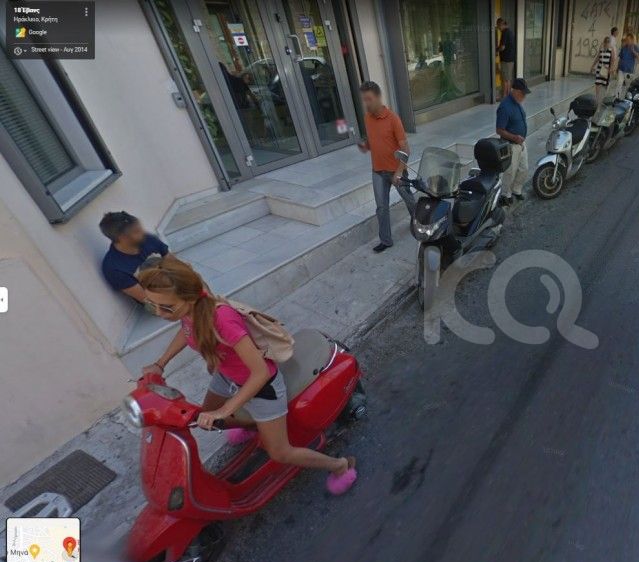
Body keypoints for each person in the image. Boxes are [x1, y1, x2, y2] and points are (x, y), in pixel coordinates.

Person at [138, 256, 358, 495]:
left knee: (280, 452)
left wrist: (225, 409)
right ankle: (256, 425)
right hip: (227, 376)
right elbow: (187, 330)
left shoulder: (222, 319)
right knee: (205, 419)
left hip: (262, 387)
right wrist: (160, 364)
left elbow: (260, 372)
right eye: (151, 305)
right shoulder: (188, 311)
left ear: (189, 298)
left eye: (166, 307)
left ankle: (339, 465)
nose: (159, 313)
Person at [357, 81, 416, 253]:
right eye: (364, 100)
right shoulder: (367, 118)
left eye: (369, 99)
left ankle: (419, 224)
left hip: (396, 170)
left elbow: (406, 149)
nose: (366, 103)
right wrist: (366, 146)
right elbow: (373, 140)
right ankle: (386, 240)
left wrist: (399, 171)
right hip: (377, 171)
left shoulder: (393, 119)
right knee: (381, 208)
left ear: (378, 98)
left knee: (409, 200)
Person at [100, 211, 169, 304]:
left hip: (174, 283)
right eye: (137, 231)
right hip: (160, 301)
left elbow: (172, 261)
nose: (143, 232)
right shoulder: (114, 269)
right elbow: (147, 300)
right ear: (123, 238)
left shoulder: (148, 239)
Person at [496, 78, 530, 203]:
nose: (524, 96)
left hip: (521, 143)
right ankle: (506, 195)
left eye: (525, 93)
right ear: (514, 91)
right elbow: (499, 130)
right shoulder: (505, 107)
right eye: (522, 93)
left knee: (523, 169)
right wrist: (515, 137)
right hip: (511, 145)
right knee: (510, 172)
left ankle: (516, 190)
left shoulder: (517, 102)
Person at [591, 37, 614, 105]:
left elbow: (612, 60)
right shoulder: (601, 49)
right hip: (599, 68)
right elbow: (598, 58)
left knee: (605, 84)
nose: (607, 43)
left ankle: (603, 98)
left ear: (609, 43)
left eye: (608, 42)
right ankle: (597, 98)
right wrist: (593, 66)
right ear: (604, 42)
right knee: (597, 83)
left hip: (606, 70)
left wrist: (610, 68)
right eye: (606, 42)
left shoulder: (611, 49)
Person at [497, 18, 516, 99]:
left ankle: (505, 96)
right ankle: (507, 95)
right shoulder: (510, 32)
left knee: (505, 79)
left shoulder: (505, 33)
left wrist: (496, 50)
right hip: (511, 59)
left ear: (501, 24)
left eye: (498, 26)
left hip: (506, 60)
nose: (498, 28)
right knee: (508, 79)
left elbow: (502, 47)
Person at [608, 27, 620, 98]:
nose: (618, 33)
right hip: (611, 59)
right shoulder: (611, 39)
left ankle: (609, 88)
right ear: (614, 32)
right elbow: (611, 49)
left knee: (612, 73)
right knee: (611, 72)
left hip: (613, 59)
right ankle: (608, 88)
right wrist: (612, 61)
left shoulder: (613, 38)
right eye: (617, 32)